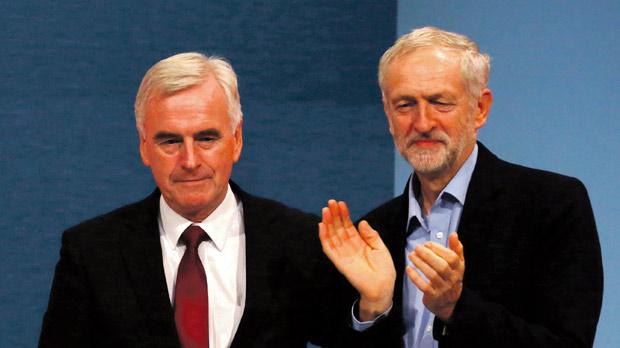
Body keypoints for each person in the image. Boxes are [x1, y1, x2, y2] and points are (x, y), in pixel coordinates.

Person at [39, 52, 358, 347]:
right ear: (144, 147)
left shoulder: (300, 241)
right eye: (170, 141)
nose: (189, 160)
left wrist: (374, 304)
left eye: (206, 138)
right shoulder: (93, 252)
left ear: (236, 140)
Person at [319, 27, 603, 347]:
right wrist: (373, 307)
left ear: (479, 108)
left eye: (440, 102)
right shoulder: (372, 233)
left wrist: (456, 307)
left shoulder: (552, 205)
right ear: (387, 113)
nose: (422, 123)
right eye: (404, 105)